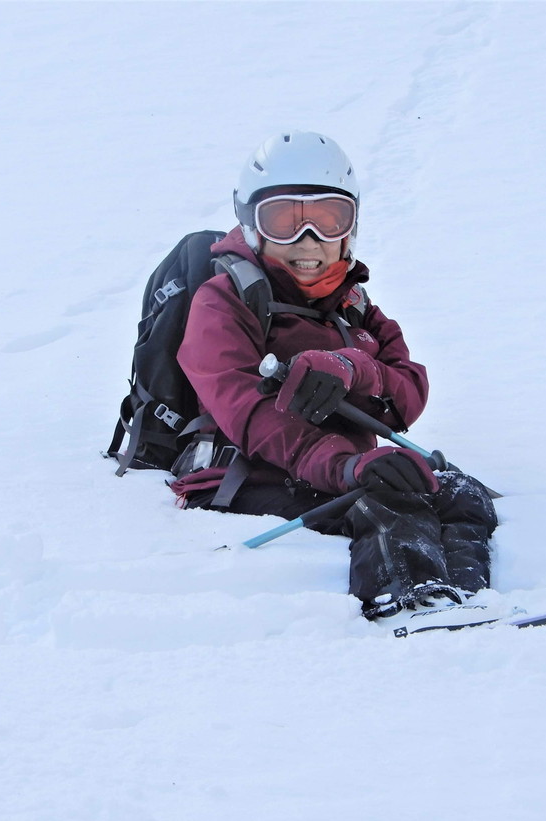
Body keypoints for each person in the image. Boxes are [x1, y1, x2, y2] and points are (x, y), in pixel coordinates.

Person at [171, 130, 498, 619]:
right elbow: (249, 412)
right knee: (383, 503)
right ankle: (410, 605)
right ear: (251, 224)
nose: (309, 242)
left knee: (456, 493)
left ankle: (469, 603)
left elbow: (407, 391)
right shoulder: (222, 301)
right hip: (247, 470)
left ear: (351, 225)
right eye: (284, 221)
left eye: (327, 219)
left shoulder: (353, 304)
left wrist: (354, 370)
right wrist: (348, 468)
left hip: (337, 467)